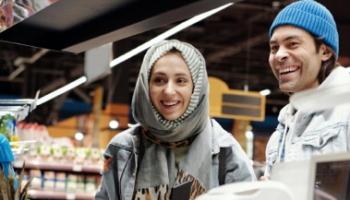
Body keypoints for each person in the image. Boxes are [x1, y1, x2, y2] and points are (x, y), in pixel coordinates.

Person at [95, 39, 256, 200]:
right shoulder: (122, 148)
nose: (169, 91)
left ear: (195, 88)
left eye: (181, 81)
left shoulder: (226, 152)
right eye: (159, 80)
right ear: (146, 86)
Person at [265, 0, 350, 177]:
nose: (279, 55)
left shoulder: (346, 110)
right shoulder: (281, 132)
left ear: (325, 52)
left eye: (293, 44)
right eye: (274, 48)